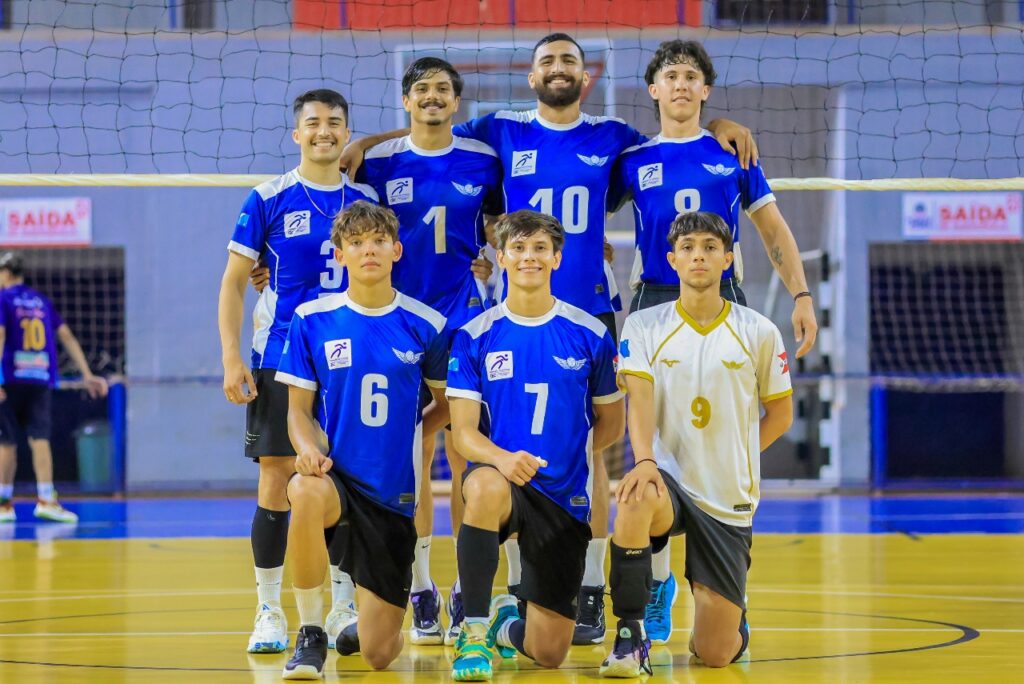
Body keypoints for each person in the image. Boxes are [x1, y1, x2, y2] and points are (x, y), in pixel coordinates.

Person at [343, 33, 758, 644]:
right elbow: (430, 135)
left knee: (593, 444)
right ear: (530, 75)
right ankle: (477, 590)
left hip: (591, 310)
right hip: (508, 309)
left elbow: (680, 140)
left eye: (568, 60)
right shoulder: (498, 130)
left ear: (585, 76)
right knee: (490, 446)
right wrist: (364, 142)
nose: (558, 69)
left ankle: (593, 584)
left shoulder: (616, 137)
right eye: (547, 61)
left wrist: (721, 120)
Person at [608, 39, 818, 644]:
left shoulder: (731, 152)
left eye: (691, 76)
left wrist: (801, 296)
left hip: (726, 300)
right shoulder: (631, 158)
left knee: (726, 441)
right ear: (653, 90)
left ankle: (730, 583)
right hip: (652, 301)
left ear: (705, 91)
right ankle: (653, 584)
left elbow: (772, 228)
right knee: (650, 442)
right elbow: (585, 211)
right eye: (669, 75)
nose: (679, 84)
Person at [217, 89, 378, 654]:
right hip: (282, 354)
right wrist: (232, 355)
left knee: (343, 477)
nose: (324, 132)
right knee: (276, 477)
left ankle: (339, 607)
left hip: (352, 357)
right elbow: (235, 281)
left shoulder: (366, 197)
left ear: (346, 131)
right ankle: (268, 609)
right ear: (296, 133)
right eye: (313, 124)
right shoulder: (268, 197)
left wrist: (368, 143)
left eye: (335, 124)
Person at [599, 212, 793, 676]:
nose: (698, 255)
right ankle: (629, 636)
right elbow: (639, 399)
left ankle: (733, 620)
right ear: (671, 260)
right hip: (670, 482)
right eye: (687, 248)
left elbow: (781, 415)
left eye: (709, 247)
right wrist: (644, 460)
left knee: (715, 654)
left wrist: (736, 452)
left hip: (729, 497)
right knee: (634, 496)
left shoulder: (759, 331)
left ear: (728, 259)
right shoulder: (644, 325)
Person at [356, 56, 502, 645]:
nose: (433, 97)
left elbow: (504, 223)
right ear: (406, 101)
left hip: (464, 320)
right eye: (422, 90)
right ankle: (419, 587)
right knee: (410, 458)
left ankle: (469, 588)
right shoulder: (379, 162)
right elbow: (343, 226)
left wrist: (491, 254)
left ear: (457, 101)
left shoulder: (484, 160)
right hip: (398, 323)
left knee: (467, 454)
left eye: (443, 89)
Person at [445, 210, 625, 681]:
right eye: (519, 249)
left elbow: (612, 423)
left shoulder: (591, 333)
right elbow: (462, 432)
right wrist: (503, 459)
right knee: (481, 488)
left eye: (540, 248)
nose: (530, 257)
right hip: (502, 479)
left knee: (549, 653)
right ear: (501, 257)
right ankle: (475, 630)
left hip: (562, 496)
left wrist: (572, 455)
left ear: (557, 258)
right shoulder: (475, 335)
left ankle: (506, 627)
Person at [276, 201, 450, 678]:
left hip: (391, 498)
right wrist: (308, 449)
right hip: (336, 482)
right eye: (355, 243)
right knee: (302, 491)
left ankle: (374, 622)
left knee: (378, 654)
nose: (367, 250)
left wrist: (413, 432)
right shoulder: (312, 319)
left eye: (377, 241)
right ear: (339, 254)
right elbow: (297, 413)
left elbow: (448, 403)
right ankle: (311, 633)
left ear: (396, 250)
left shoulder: (427, 324)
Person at [0, 252, 108, 524]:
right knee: (40, 439)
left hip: (11, 379)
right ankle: (47, 499)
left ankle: (3, 505)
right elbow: (67, 336)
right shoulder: (41, 301)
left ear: (6, 273)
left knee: (7, 441)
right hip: (40, 377)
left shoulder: (3, 298)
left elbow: (0, 334)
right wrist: (87, 374)